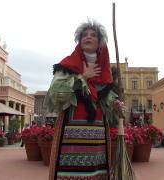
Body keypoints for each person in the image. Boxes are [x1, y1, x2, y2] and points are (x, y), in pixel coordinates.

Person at [45, 19, 122, 180]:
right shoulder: (68, 64)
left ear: (100, 42)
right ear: (79, 41)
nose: (88, 37)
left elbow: (105, 100)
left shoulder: (105, 71)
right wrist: (82, 77)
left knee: (97, 168)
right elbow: (55, 92)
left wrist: (114, 104)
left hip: (98, 130)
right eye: (84, 35)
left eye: (93, 35)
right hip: (70, 128)